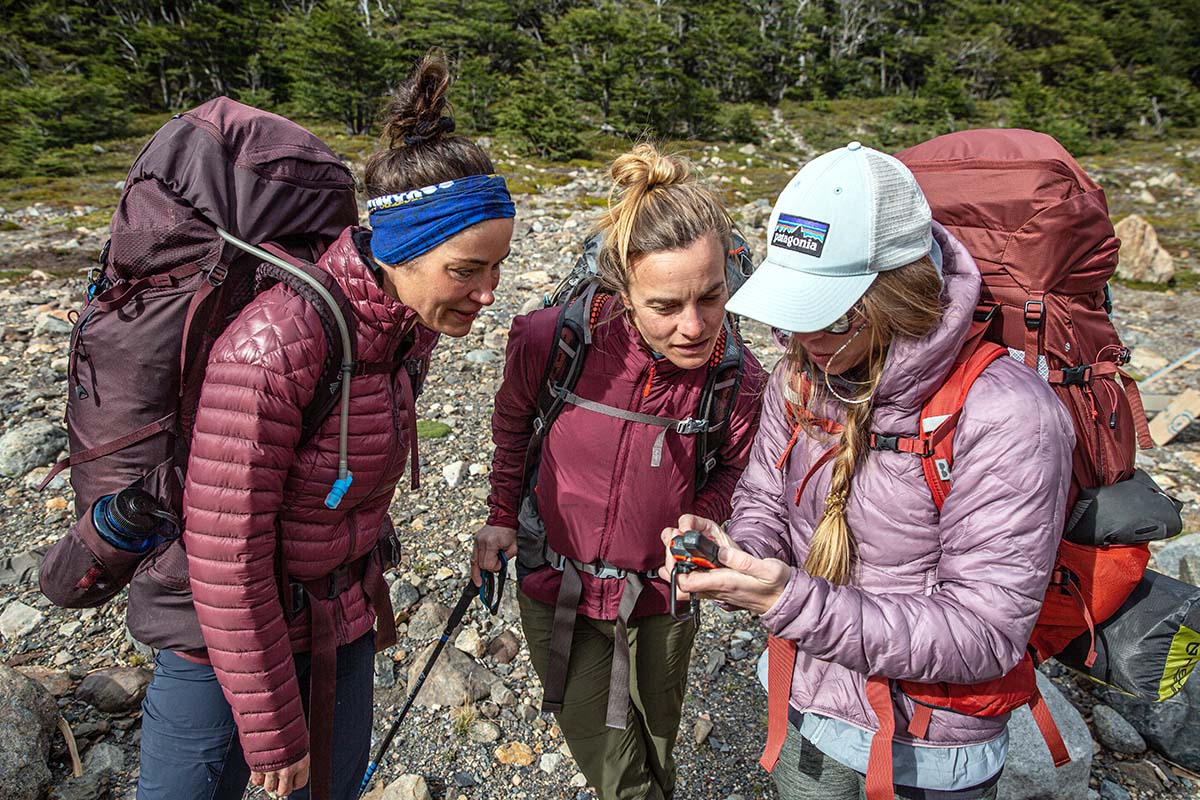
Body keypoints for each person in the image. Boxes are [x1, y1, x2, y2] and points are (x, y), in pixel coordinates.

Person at [137, 54, 515, 800]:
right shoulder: (276, 344)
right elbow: (226, 551)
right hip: (218, 645)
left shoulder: (406, 326)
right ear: (401, 248)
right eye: (468, 269)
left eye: (498, 268)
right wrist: (274, 723)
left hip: (335, 612)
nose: (488, 293)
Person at [661, 142, 1076, 800]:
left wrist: (786, 601)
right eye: (792, 310)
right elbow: (766, 501)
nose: (801, 337)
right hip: (801, 702)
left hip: (928, 751)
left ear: (896, 295)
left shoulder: (1010, 416)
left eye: (827, 314)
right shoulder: (801, 373)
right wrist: (734, 557)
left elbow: (985, 633)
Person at [471, 143, 766, 800]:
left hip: (668, 592)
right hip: (558, 583)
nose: (694, 327)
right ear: (622, 289)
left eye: (711, 297)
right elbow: (515, 424)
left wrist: (705, 519)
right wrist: (498, 517)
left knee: (659, 739)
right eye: (665, 305)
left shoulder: (737, 379)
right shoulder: (551, 340)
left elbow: (741, 470)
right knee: (614, 766)